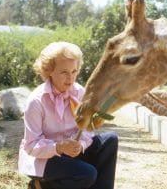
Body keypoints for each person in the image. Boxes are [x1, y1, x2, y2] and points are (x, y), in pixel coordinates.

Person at [18, 41, 118, 189]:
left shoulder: (80, 92)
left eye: (74, 71)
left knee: (110, 139)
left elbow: (87, 130)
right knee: (87, 174)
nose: (70, 78)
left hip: (71, 152)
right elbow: (31, 147)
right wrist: (59, 147)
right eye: (64, 72)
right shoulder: (36, 101)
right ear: (49, 70)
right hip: (44, 158)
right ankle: (40, 186)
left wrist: (81, 144)